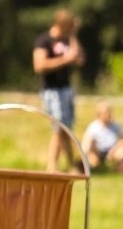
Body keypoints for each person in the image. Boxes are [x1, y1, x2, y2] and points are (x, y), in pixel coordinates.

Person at [33, 9, 85, 172]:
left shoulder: (67, 39)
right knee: (59, 127)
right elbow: (39, 65)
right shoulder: (44, 41)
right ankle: (52, 165)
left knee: (66, 128)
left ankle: (71, 163)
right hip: (52, 91)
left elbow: (80, 59)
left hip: (66, 90)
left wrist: (73, 35)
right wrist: (65, 60)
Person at [81, 100, 123, 172]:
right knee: (91, 152)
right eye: (105, 113)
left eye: (109, 112)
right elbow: (86, 145)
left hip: (113, 151)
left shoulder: (116, 125)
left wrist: (113, 150)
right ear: (99, 114)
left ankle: (122, 167)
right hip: (98, 152)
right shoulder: (93, 127)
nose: (108, 115)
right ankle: (91, 166)